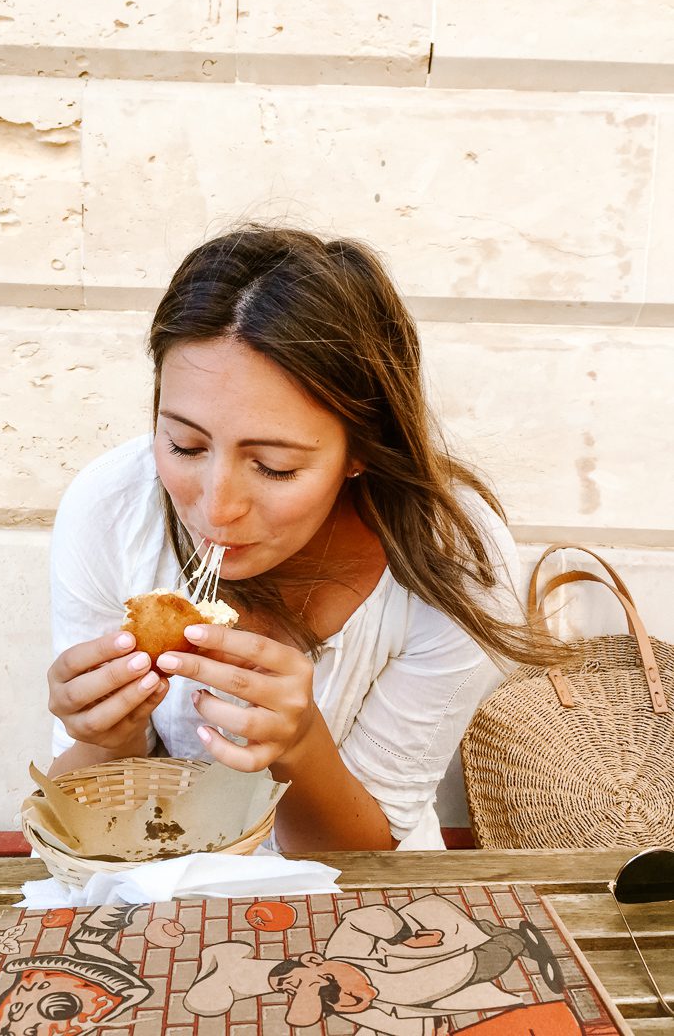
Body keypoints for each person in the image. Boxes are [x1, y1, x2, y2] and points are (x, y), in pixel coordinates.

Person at [46, 225, 548, 853]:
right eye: (184, 444)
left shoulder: (455, 561)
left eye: (275, 467)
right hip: (160, 892)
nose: (218, 508)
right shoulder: (114, 507)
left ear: (362, 449)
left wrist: (302, 746)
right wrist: (106, 738)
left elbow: (368, 855)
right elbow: (78, 813)